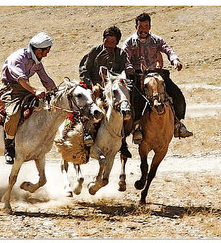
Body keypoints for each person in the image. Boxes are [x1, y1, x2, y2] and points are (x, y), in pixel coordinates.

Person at [122, 12, 193, 143]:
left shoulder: (156, 40)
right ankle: (136, 127)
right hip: (138, 76)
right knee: (134, 98)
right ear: (136, 27)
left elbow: (168, 49)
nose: (143, 29)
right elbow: (124, 57)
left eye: (146, 26)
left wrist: (175, 60)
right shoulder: (129, 42)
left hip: (156, 73)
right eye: (140, 26)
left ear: (150, 27)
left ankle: (177, 124)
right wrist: (129, 68)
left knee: (176, 94)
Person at [0, 32, 57, 164]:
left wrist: (56, 92)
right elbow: (21, 79)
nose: (46, 54)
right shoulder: (18, 58)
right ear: (38, 50)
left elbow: (46, 79)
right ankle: (9, 147)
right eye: (46, 51)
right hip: (12, 90)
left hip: (26, 89)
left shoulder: (36, 62)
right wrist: (35, 91)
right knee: (13, 114)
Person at [79, 25, 132, 158]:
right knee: (90, 106)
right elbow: (84, 69)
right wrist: (91, 85)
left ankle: (123, 140)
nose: (108, 44)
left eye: (112, 42)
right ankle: (88, 133)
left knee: (125, 106)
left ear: (117, 42)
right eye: (106, 41)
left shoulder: (121, 54)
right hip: (95, 87)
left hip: (112, 89)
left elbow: (123, 72)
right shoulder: (95, 51)